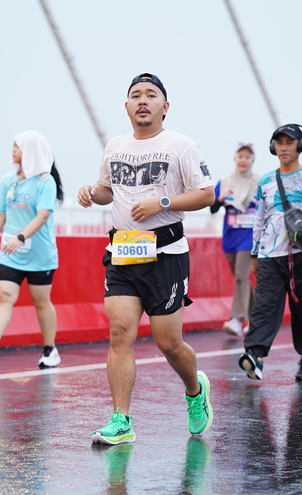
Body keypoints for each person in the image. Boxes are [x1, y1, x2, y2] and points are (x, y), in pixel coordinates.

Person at [77, 72, 215, 445]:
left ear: (164, 107)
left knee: (168, 342)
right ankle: (121, 420)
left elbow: (206, 194)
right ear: (126, 106)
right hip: (122, 251)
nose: (142, 100)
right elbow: (107, 190)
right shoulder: (115, 146)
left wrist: (162, 202)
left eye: (151, 95)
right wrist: (91, 193)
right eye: (135, 94)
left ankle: (194, 390)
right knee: (120, 332)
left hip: (166, 253)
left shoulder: (181, 145)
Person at [237, 124, 302, 382]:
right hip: (270, 255)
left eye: (289, 142)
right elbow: (259, 218)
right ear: (273, 147)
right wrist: (255, 253)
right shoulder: (266, 181)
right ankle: (255, 355)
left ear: (300, 146)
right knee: (265, 306)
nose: (283, 147)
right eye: (279, 142)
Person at [0, 131, 64, 369]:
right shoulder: (7, 180)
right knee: (4, 296)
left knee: (41, 301)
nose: (13, 150)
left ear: (31, 150)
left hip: (40, 255)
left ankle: (50, 350)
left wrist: (21, 237)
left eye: (17, 146)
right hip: (11, 253)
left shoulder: (45, 182)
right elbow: (0, 216)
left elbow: (42, 216)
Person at [210, 142, 258, 337]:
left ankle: (236, 320)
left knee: (241, 276)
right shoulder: (225, 181)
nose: (243, 160)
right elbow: (212, 208)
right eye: (240, 157)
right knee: (242, 280)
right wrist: (220, 199)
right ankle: (256, 319)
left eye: (247, 157)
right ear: (235, 159)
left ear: (252, 160)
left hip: (249, 236)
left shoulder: (259, 182)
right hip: (231, 236)